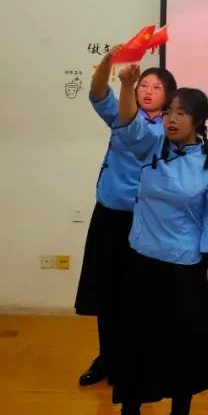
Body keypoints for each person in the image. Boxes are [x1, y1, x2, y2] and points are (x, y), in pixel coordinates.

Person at [105, 66, 208, 415]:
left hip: (184, 266)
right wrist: (128, 85)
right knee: (134, 340)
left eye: (181, 113)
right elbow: (127, 125)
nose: (172, 119)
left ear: (198, 121)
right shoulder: (151, 147)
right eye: (169, 112)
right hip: (142, 259)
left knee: (181, 344)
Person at [75, 45, 175, 387]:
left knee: (139, 294)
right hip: (109, 213)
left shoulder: (168, 128)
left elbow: (134, 130)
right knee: (106, 290)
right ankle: (107, 356)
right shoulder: (121, 111)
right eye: (143, 85)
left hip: (144, 220)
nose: (148, 91)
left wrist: (127, 88)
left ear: (168, 97)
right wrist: (109, 60)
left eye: (156, 88)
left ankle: (138, 359)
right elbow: (97, 92)